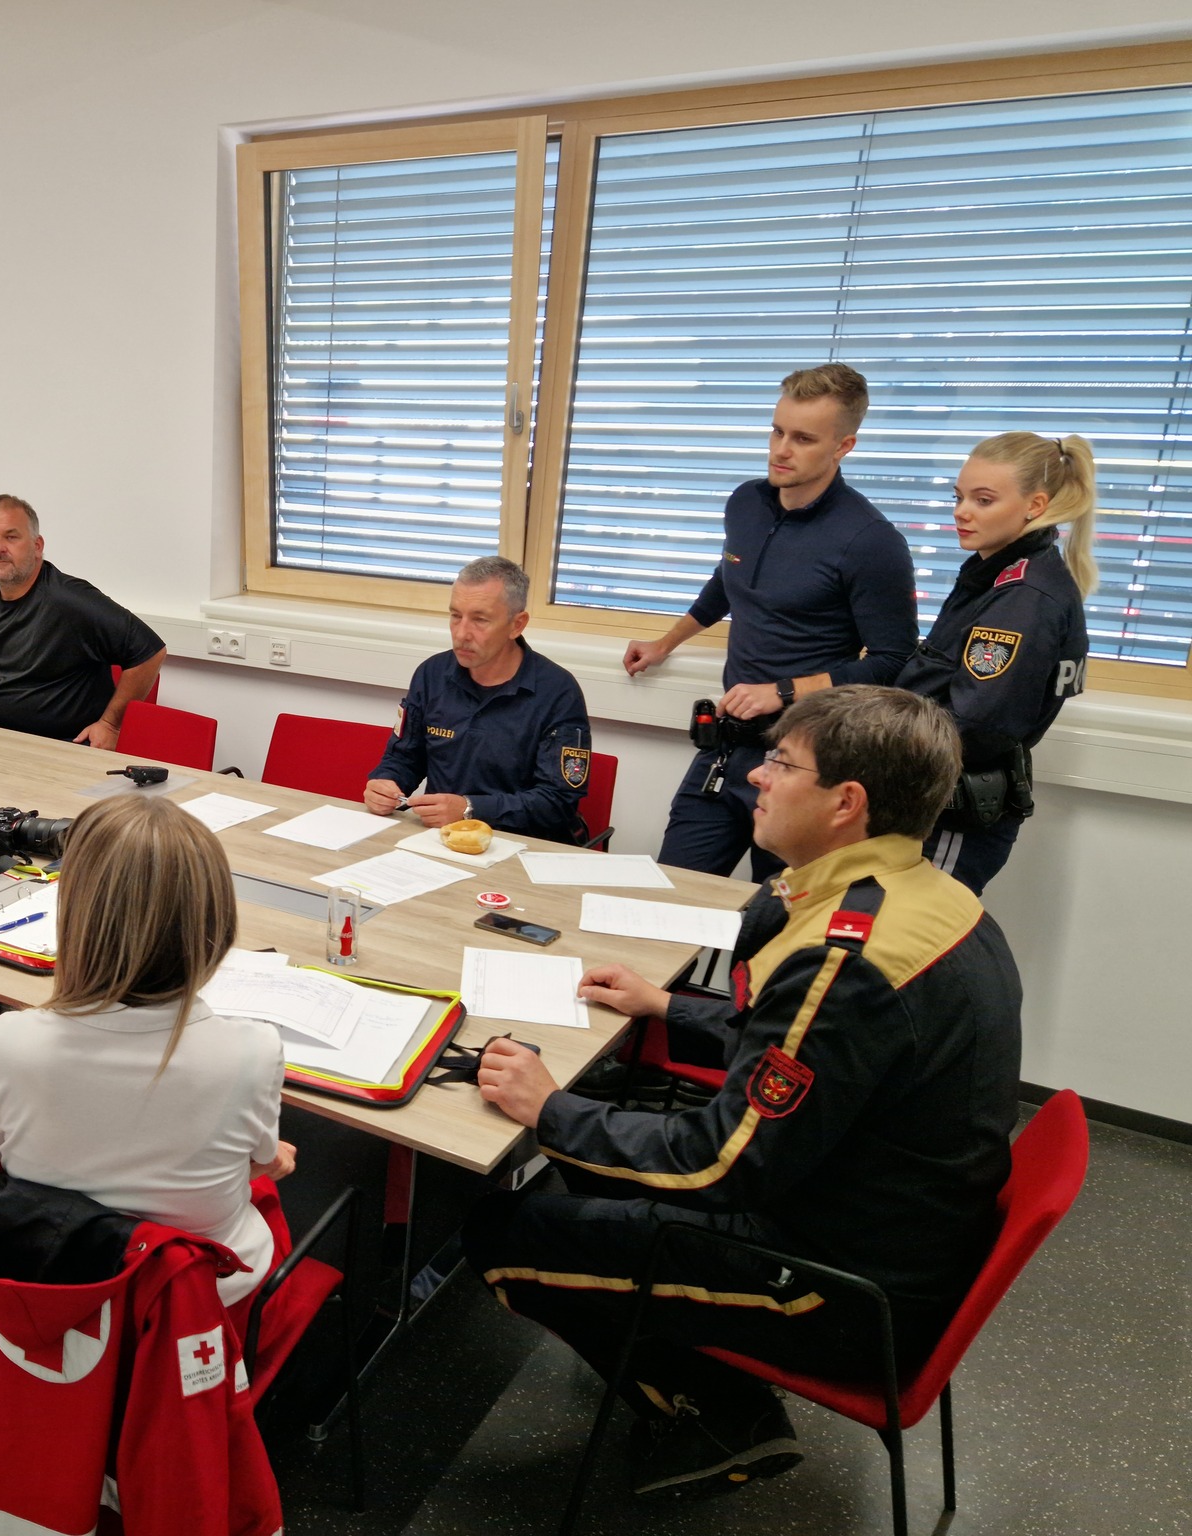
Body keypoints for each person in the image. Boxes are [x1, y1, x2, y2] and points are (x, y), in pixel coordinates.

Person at [460, 687, 1021, 1502]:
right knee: (587, 1164)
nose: (757, 775)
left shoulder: (846, 958)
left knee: (502, 1227)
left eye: (782, 764)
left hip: (836, 1287)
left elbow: (720, 1164)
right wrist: (667, 1006)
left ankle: (721, 1418)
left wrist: (549, 1106)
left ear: (846, 803)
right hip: (881, 1220)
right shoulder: (924, 896)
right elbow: (809, 1047)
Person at [0, 793, 294, 1309]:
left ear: (74, 919)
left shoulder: (13, 1037)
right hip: (199, 1291)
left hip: (56, 1275)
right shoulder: (255, 1050)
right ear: (215, 928)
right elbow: (262, 1163)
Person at [623, 365, 917, 882]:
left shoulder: (871, 541)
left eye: (803, 439)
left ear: (844, 446)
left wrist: (781, 692)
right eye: (777, 431)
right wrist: (665, 643)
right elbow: (728, 581)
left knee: (782, 915)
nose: (781, 450)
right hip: (728, 745)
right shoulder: (747, 503)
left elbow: (893, 662)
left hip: (809, 761)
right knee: (671, 891)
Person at [896, 432, 1095, 893]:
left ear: (1035, 505)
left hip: (950, 811)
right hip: (928, 797)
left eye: (983, 500)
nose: (961, 511)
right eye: (959, 497)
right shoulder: (995, 574)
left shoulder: (1024, 598)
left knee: (917, 927)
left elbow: (973, 727)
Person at [364, 556, 594, 843]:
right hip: (440, 840)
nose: (462, 633)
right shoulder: (431, 674)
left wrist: (470, 809)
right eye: (455, 616)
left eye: (480, 620)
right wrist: (386, 783)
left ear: (517, 624)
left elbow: (558, 802)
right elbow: (405, 757)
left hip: (521, 844)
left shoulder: (557, 692)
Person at [0, 494, 166, 747]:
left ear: (37, 545)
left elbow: (150, 652)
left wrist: (110, 724)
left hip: (61, 748)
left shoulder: (72, 600)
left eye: (11, 537)